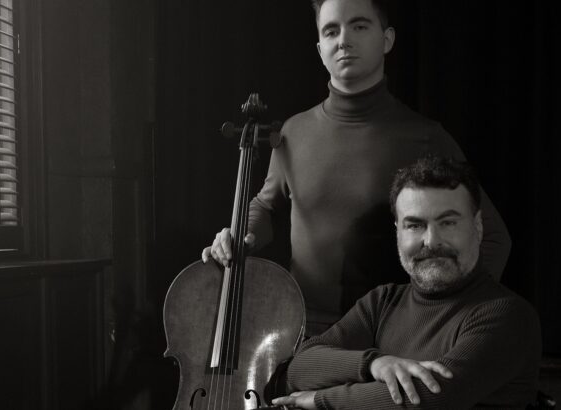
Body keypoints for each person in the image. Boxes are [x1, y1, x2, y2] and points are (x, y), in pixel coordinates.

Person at [202, 0, 511, 335]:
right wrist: (239, 236)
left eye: (359, 26)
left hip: (388, 332)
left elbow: (493, 236)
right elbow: (267, 205)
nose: (344, 40)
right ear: (320, 49)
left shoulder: (425, 138)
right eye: (331, 31)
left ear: (387, 39)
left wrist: (449, 316)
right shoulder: (293, 132)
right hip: (300, 331)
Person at [272, 156, 541, 409]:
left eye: (448, 223)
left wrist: (320, 399)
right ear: (398, 233)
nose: (431, 241)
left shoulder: (507, 316)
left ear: (478, 227)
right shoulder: (381, 302)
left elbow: (424, 400)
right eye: (414, 225)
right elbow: (298, 369)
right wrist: (374, 364)